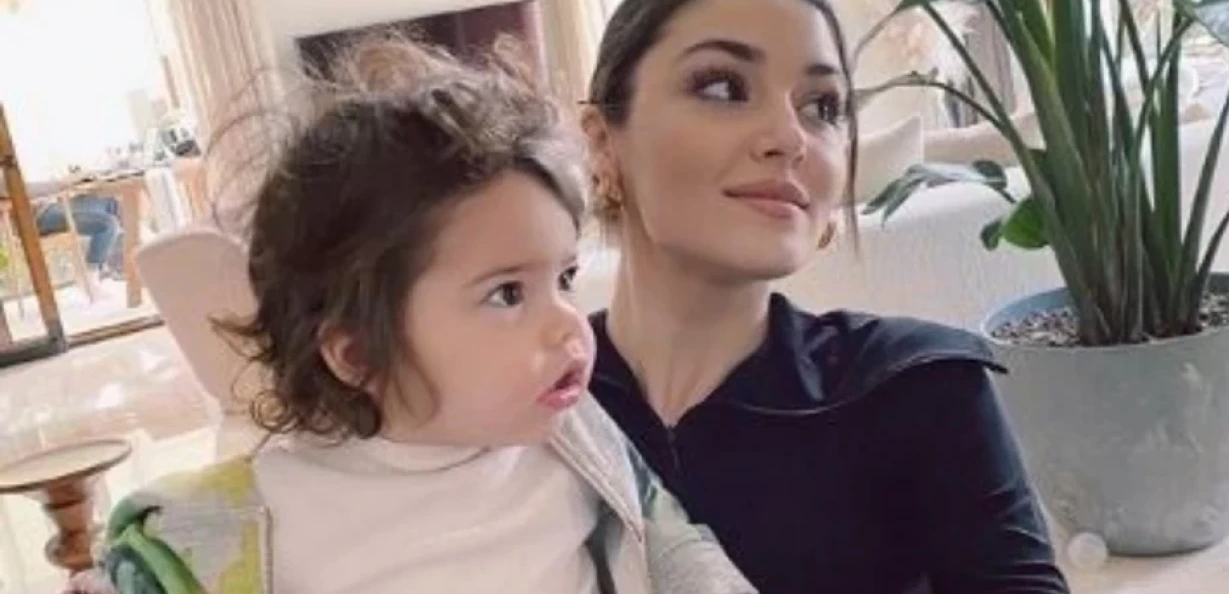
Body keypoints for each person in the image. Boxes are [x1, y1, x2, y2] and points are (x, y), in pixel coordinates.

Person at [68, 40, 753, 594]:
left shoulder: (574, 443)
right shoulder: (269, 515)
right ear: (357, 354)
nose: (569, 325)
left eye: (566, 278)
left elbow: (676, 548)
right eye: (507, 294)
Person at [580, 0, 1069, 594]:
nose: (791, 137)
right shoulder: (526, 409)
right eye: (723, 87)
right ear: (602, 142)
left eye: (822, 107)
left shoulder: (922, 389)